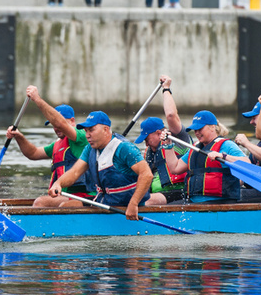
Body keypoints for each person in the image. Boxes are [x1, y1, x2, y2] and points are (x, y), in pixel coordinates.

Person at [48, 111, 152, 219]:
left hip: (127, 207)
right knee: (66, 206)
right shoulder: (89, 149)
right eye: (86, 131)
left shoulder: (124, 148)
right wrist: (58, 183)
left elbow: (146, 174)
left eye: (91, 130)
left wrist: (133, 204)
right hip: (104, 202)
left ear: (106, 130)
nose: (87, 135)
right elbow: (74, 173)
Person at [5, 88, 89, 208]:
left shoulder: (81, 135)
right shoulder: (57, 145)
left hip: (84, 195)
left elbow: (61, 124)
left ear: (72, 121)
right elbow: (33, 153)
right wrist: (19, 136)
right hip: (64, 195)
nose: (56, 127)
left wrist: (37, 99)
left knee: (41, 202)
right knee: (46, 202)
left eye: (56, 122)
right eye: (52, 124)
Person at [162, 110, 248, 203]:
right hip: (194, 201)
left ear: (212, 127)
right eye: (195, 130)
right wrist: (168, 145)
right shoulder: (194, 148)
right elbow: (175, 169)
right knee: (170, 207)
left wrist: (223, 156)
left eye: (200, 129)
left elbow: (247, 164)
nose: (197, 132)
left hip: (220, 201)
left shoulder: (226, 145)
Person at [144, 74, 192, 205]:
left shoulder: (177, 139)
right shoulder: (150, 152)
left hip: (180, 192)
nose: (146, 144)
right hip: (158, 193)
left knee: (144, 201)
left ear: (159, 133)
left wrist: (166, 89)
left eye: (147, 139)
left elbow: (171, 115)